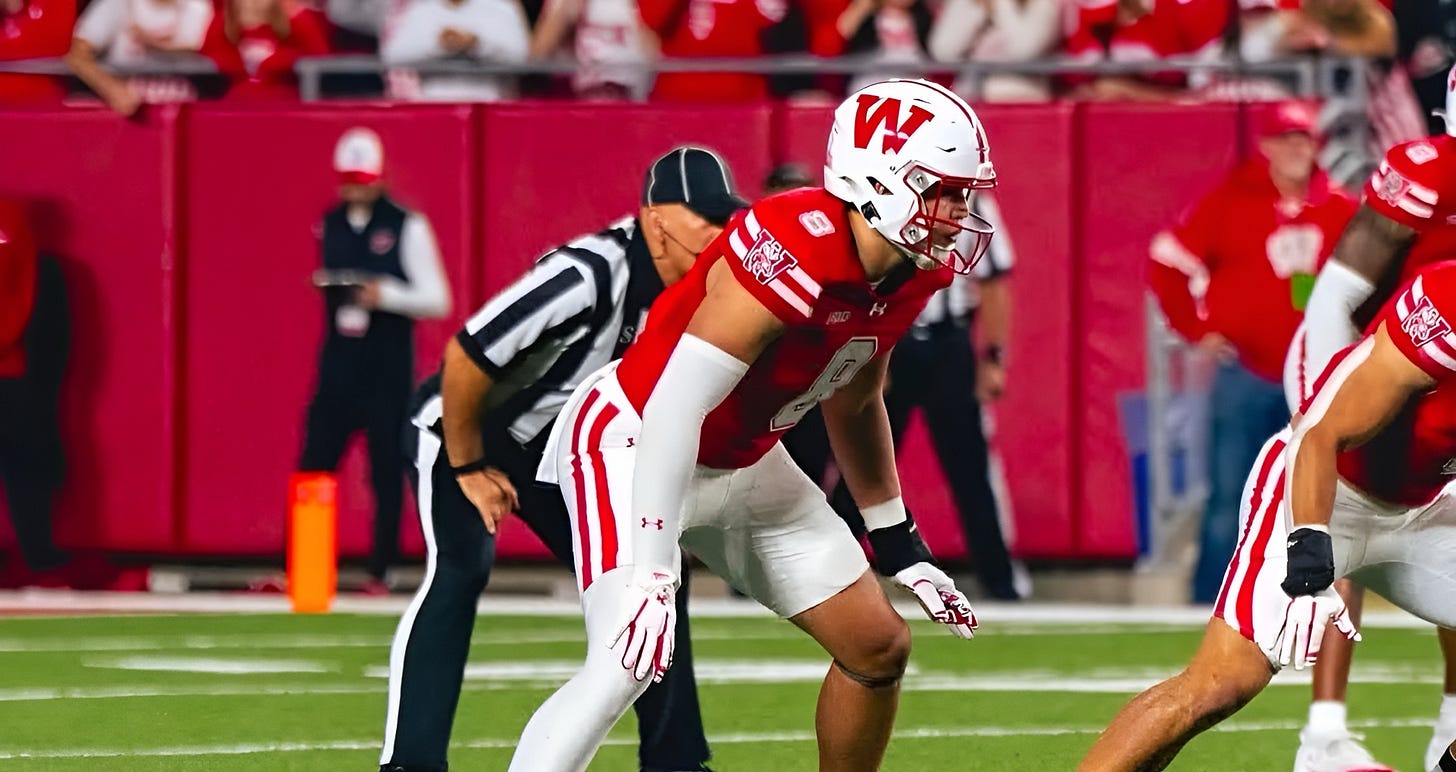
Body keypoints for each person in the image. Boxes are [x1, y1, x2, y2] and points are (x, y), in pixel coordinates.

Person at [509, 78, 993, 772]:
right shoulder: (795, 244)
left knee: (877, 645)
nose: (958, 213)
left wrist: (900, 541)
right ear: (878, 179)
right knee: (626, 661)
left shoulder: (912, 270)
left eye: (964, 193)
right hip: (634, 440)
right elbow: (676, 403)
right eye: (942, 190)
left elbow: (855, 399)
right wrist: (653, 571)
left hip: (742, 459)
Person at [381, 147, 744, 772]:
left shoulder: (698, 290)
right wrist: (469, 468)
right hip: (462, 429)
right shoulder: (588, 274)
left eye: (725, 218)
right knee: (460, 571)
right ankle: (410, 763)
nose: (720, 233)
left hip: (555, 450)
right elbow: (467, 358)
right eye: (703, 218)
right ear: (655, 218)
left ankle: (676, 761)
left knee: (651, 581)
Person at [1079, 259, 1456, 772]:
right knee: (1222, 682)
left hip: (1426, 508)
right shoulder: (1446, 301)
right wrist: (1308, 564)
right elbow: (1321, 436)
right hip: (1328, 491)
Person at [1282, 66, 1456, 772]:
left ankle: (1450, 724)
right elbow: (1332, 304)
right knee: (1345, 509)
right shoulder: (1428, 171)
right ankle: (1324, 732)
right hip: (1360, 360)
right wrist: (1331, 415)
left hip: (1439, 381)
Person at [1148, 101, 1358, 605]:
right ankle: (1211, 602)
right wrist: (1196, 328)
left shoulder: (1340, 209)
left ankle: (1306, 601)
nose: (1295, 150)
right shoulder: (1229, 203)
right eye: (1285, 140)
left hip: (1319, 376)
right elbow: (1167, 261)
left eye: (1304, 140)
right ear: (1266, 147)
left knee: (1319, 494)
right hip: (1249, 369)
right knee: (1231, 492)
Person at [828, 192, 1026, 599]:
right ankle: (826, 568)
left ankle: (999, 579)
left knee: (970, 469)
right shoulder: (886, 198)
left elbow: (993, 282)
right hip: (892, 340)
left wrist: (993, 356)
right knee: (863, 460)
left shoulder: (976, 207)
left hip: (948, 343)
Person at [298, 127, 452, 594]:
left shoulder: (408, 224)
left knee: (386, 468)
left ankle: (381, 569)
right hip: (340, 359)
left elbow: (437, 299)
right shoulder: (331, 222)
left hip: (385, 365)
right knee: (313, 462)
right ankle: (304, 568)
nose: (355, 190)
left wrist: (383, 295)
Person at [0, 200, 69, 577]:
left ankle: (38, 555)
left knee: (26, 465)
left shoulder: (11, 218)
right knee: (27, 465)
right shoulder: (13, 220)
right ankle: (38, 555)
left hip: (16, 377)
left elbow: (26, 291)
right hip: (17, 375)